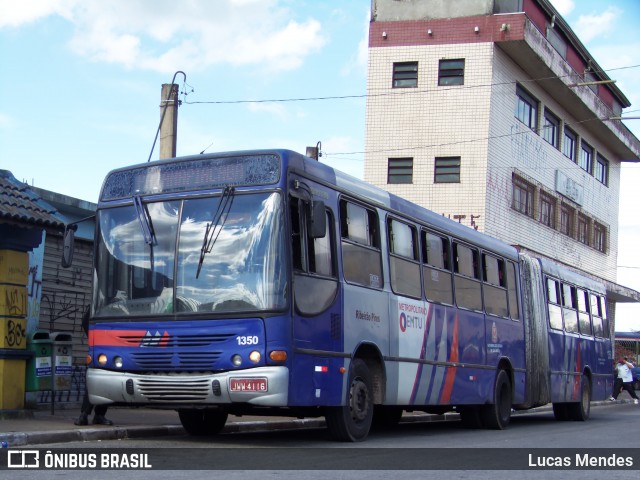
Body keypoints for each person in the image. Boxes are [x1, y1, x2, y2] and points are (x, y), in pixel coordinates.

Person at [74, 308, 113, 426]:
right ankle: (87, 414)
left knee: (107, 381)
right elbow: (86, 321)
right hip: (104, 347)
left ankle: (96, 415)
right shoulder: (100, 303)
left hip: (110, 346)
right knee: (97, 381)